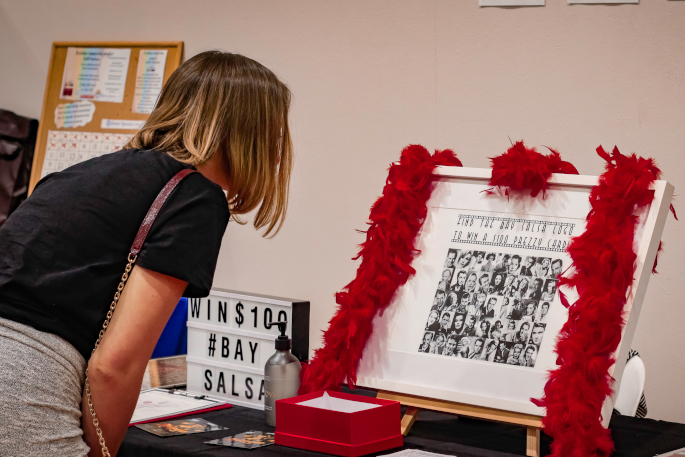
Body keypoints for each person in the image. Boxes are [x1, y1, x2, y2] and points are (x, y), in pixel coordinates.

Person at [0, 51, 294, 456]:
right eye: (274, 135)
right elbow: (114, 366)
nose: (277, 153)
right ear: (247, 134)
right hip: (22, 382)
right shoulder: (196, 197)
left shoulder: (82, 172)